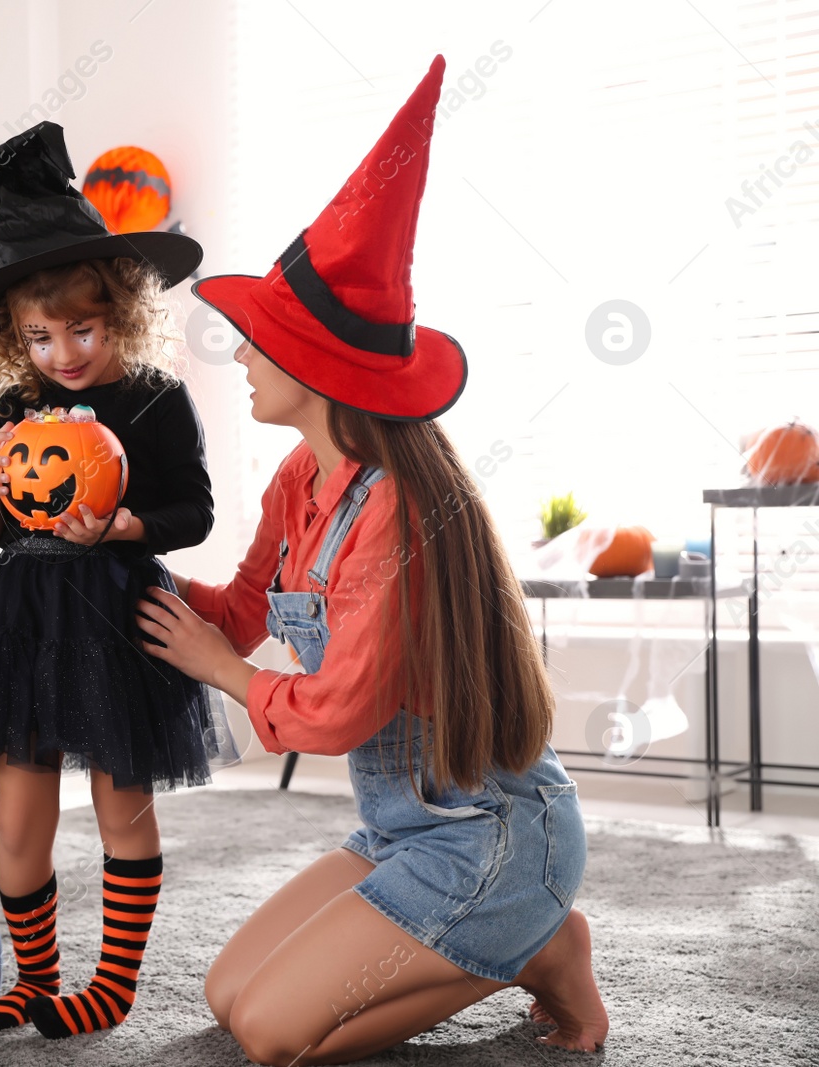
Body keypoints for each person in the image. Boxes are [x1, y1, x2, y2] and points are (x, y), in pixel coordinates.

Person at [133, 57, 609, 1063]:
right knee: (228, 992)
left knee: (271, 1036)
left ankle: (538, 947)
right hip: (407, 829)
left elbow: (337, 708)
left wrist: (220, 671)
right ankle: (520, 939)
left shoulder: (396, 513)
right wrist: (124, 560)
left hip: (490, 837)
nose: (243, 355)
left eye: (258, 339)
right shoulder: (299, 479)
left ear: (315, 366)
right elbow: (243, 607)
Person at [0, 121, 234, 1040]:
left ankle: (115, 981)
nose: (63, 352)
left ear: (124, 311)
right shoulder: (14, 408)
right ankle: (35, 974)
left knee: (121, 806)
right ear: (15, 336)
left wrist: (128, 522)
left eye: (83, 329)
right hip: (21, 623)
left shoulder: (154, 398)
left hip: (115, 621)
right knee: (20, 820)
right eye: (39, 335)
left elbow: (195, 510)